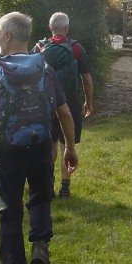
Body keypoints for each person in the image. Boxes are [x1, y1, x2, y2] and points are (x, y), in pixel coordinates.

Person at [0, 12, 78, 264]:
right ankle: (40, 246)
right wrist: (70, 148)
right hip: (41, 147)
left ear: (7, 36)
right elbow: (63, 112)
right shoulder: (45, 69)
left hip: (8, 151)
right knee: (40, 200)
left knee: (10, 211)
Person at [34, 12, 94, 199]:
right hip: (69, 102)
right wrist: (88, 102)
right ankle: (65, 188)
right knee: (65, 145)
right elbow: (86, 79)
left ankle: (48, 184)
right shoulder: (76, 48)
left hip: (45, 104)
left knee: (49, 145)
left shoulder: (39, 47)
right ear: (67, 28)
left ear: (50, 27)